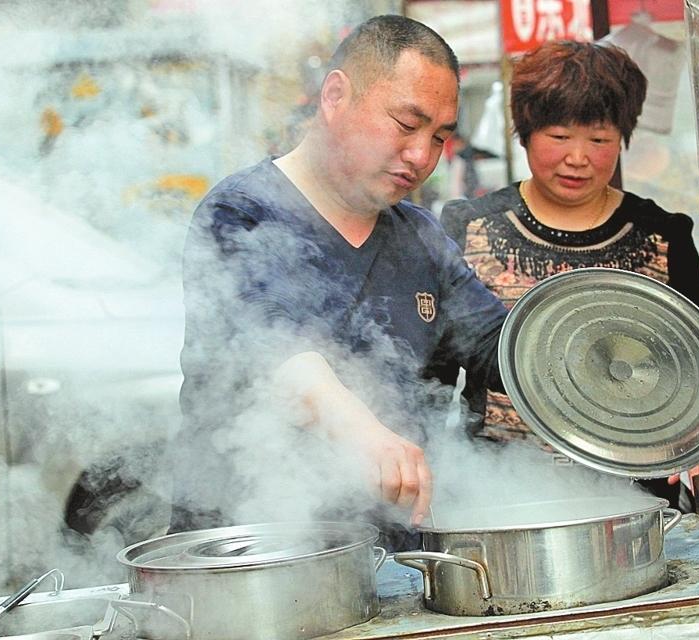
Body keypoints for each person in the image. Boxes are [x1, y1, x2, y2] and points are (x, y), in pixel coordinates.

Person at [173, 15, 507, 541]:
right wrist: (364, 432)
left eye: (439, 136)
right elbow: (275, 350)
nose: (421, 155)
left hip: (393, 561)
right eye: (405, 124)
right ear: (335, 96)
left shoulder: (420, 237)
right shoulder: (241, 212)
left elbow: (504, 349)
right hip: (255, 554)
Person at [441, 40, 699, 508]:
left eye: (599, 139)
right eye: (558, 136)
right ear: (526, 132)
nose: (578, 157)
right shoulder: (468, 229)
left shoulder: (662, 235)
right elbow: (433, 374)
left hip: (637, 497)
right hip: (498, 495)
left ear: (623, 139)